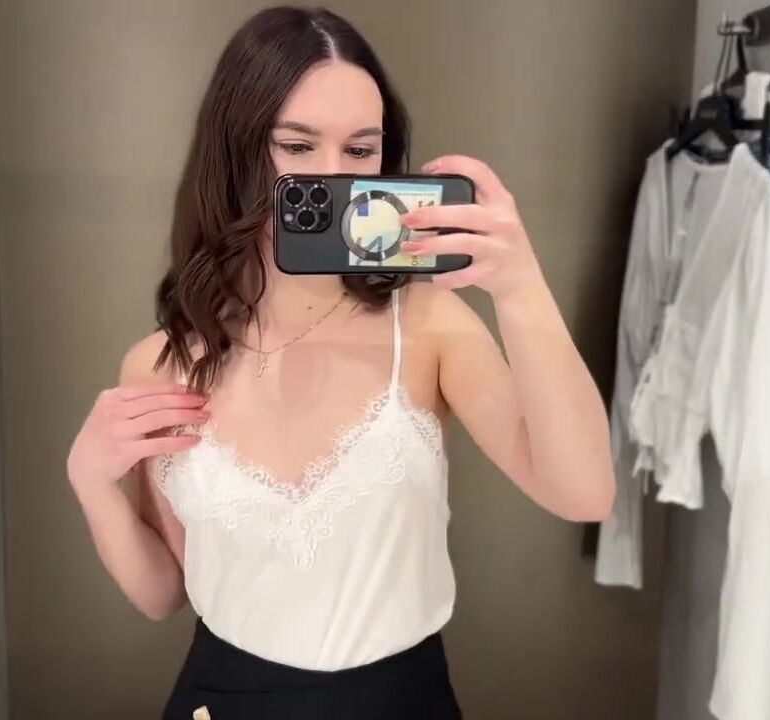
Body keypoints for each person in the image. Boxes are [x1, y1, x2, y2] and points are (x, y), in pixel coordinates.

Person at [66, 6, 615, 719]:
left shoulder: (428, 327)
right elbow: (163, 592)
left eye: (360, 150)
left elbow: (585, 493)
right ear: (236, 153)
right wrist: (91, 481)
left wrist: (520, 288)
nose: (332, 178)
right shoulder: (161, 363)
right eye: (297, 146)